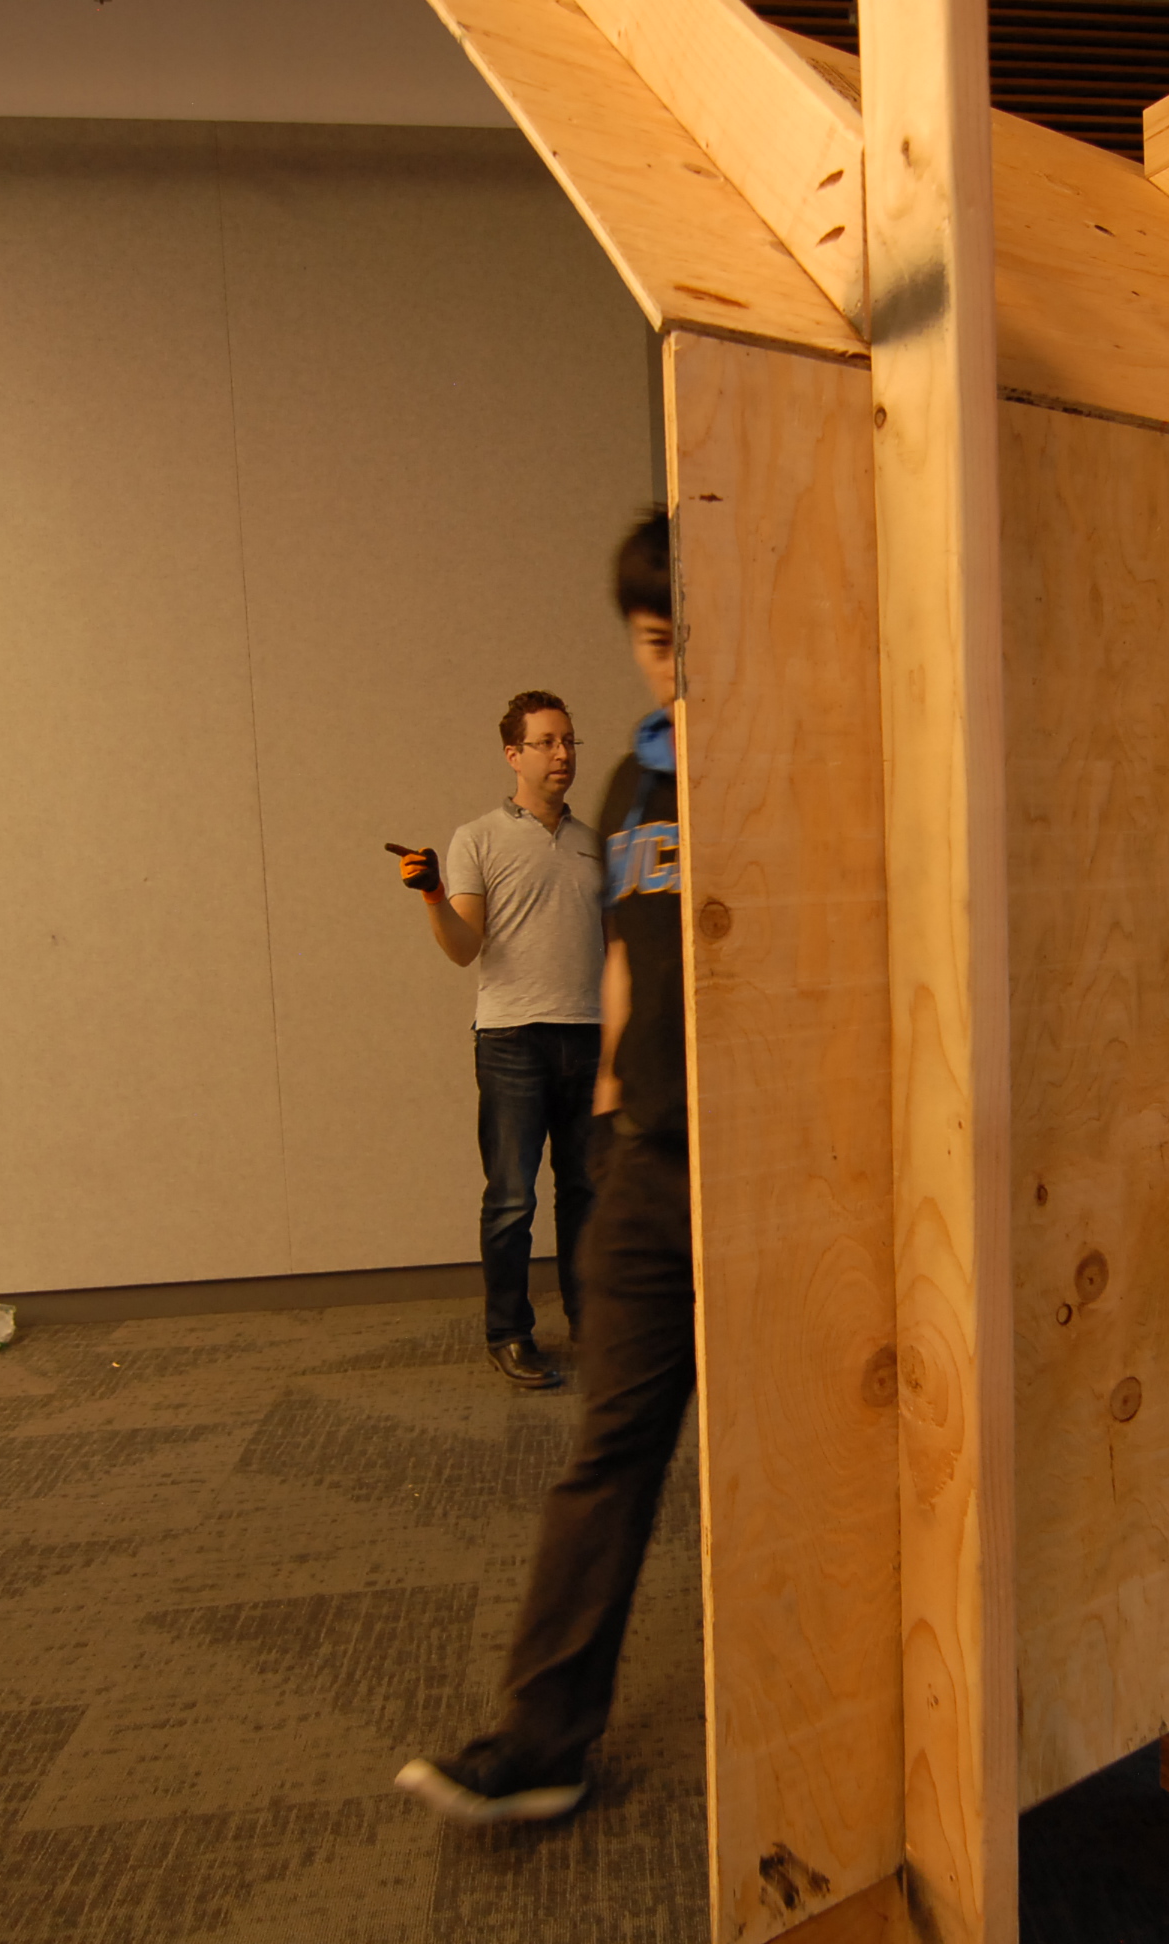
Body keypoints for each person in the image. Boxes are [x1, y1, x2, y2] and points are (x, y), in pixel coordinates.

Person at [395, 510, 683, 1823]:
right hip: (638, 1149)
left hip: (772, 1172)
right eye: (657, 642)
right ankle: (543, 1740)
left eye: (697, 638)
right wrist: (623, 1113)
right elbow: (616, 960)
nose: (676, 669)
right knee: (605, 1449)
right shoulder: (626, 793)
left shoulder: (783, 762)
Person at [389, 689, 607, 1389]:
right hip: (512, 1040)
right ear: (514, 755)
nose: (562, 754)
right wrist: (433, 894)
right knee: (512, 1198)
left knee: (586, 1193)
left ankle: (591, 1323)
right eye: (546, 742)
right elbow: (463, 948)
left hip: (588, 1035)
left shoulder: (593, 844)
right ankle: (508, 1334)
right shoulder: (477, 838)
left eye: (569, 741)